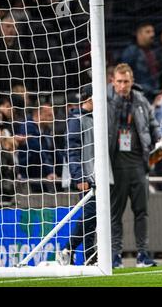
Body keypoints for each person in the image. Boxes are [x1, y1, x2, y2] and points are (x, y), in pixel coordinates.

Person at [108, 63, 162, 268]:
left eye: (127, 81)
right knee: (115, 214)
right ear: (112, 81)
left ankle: (142, 254)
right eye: (119, 81)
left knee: (142, 212)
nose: (123, 86)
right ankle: (115, 255)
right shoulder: (105, 102)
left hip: (139, 165)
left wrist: (160, 140)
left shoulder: (140, 100)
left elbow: (152, 124)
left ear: (132, 81)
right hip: (115, 166)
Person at [57, 85, 97, 265]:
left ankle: (90, 255)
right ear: (89, 99)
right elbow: (71, 150)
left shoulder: (94, 118)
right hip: (86, 176)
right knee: (90, 213)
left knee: (94, 216)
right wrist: (79, 176)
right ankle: (68, 248)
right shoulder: (76, 120)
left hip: (98, 173)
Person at [120, 22, 160, 103]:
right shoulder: (131, 52)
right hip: (139, 95)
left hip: (155, 93)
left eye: (153, 31)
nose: (152, 34)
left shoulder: (155, 51)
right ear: (139, 34)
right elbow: (124, 74)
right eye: (148, 32)